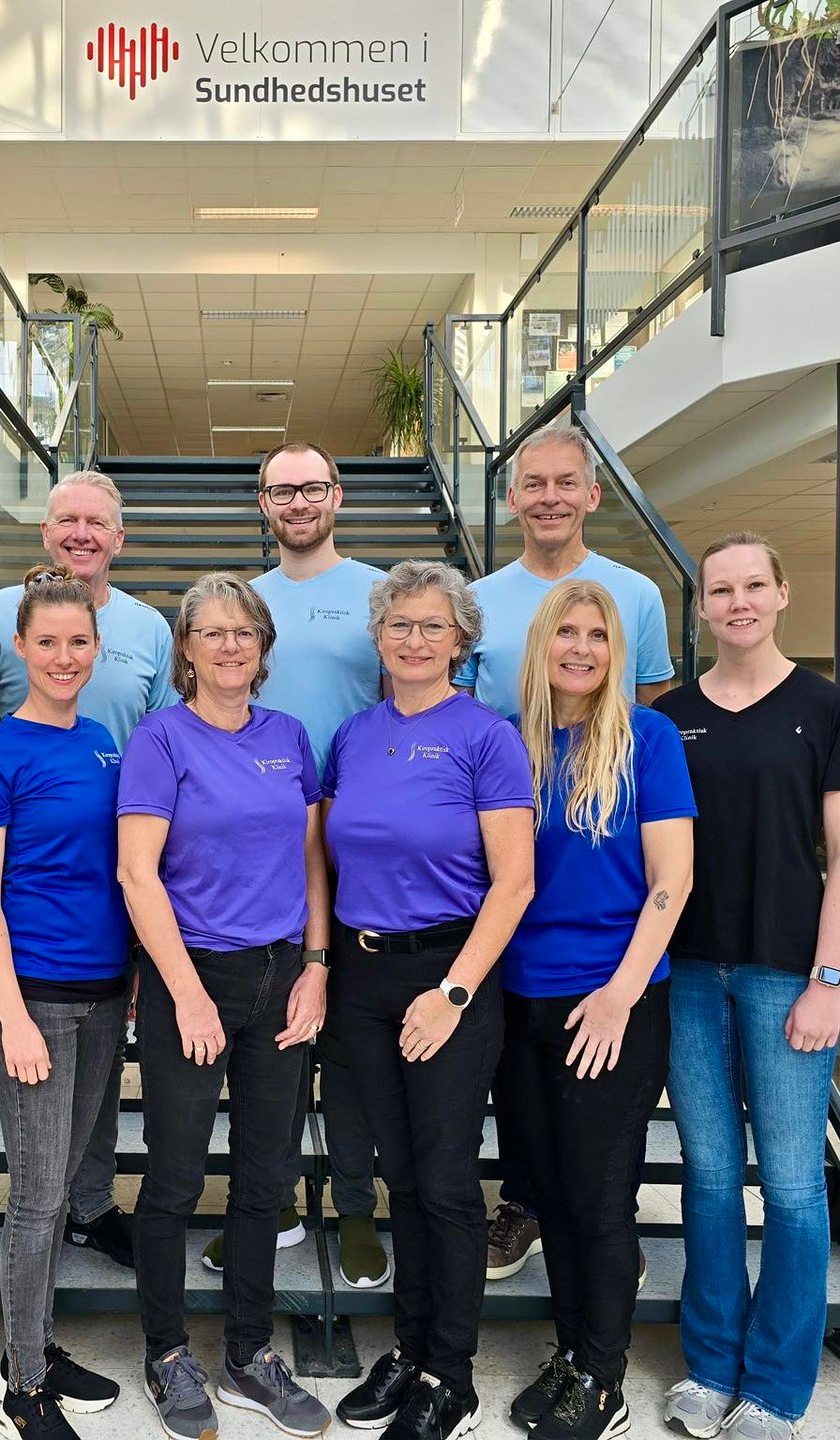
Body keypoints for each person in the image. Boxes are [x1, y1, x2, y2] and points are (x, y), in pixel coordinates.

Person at [653, 534, 840, 1440]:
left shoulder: (829, 709)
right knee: (709, 1178)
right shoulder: (670, 716)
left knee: (790, 1185)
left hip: (789, 974)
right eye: (721, 589)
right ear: (701, 606)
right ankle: (710, 1367)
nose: (738, 601)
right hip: (692, 976)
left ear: (782, 594)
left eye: (754, 585)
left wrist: (830, 982)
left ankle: (777, 1385)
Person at [118, 572, 335, 1440]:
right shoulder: (159, 740)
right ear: (187, 649)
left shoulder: (290, 736)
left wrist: (317, 965)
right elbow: (139, 874)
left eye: (245, 632)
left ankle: (248, 1352)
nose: (231, 646)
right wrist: (185, 994)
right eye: (213, 632)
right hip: (189, 979)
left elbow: (316, 861)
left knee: (264, 1179)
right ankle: (168, 1352)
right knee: (172, 1180)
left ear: (263, 648)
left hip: (282, 977)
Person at [324, 560, 536, 1440]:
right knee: (398, 1176)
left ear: (463, 640)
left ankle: (451, 1374)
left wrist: (452, 991)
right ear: (378, 637)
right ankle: (409, 1350)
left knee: (447, 1183)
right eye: (400, 625)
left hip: (449, 972)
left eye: (433, 626)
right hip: (361, 974)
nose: (415, 640)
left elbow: (515, 882)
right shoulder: (352, 735)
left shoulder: (487, 737)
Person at [459, 426, 675, 1284]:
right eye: (532, 483)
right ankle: (526, 1204)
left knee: (595, 1157)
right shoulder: (480, 602)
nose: (548, 496)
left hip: (610, 907)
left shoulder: (638, 598)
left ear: (592, 494)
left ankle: (599, 1247)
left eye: (566, 483)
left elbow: (646, 710)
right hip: (518, 914)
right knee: (522, 1097)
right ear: (511, 498)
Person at [498, 580, 695, 1440]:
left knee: (598, 1197)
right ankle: (571, 1352)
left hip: (611, 999)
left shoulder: (646, 739)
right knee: (547, 1192)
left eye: (598, 636)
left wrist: (619, 994)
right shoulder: (514, 746)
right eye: (565, 633)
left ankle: (602, 1380)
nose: (580, 648)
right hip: (518, 1000)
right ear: (540, 646)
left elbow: (672, 880)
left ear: (617, 652)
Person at [0, 470, 178, 1271]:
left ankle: (90, 1204)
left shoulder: (150, 629)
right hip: (26, 874)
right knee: (36, 1058)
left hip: (120, 874)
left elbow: (165, 742)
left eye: (98, 522)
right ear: (46, 532)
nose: (82, 533)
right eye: (67, 519)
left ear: (119, 540)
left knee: (101, 1055)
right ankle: (40, 1208)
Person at [0, 564, 132, 1440]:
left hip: (105, 995)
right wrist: (13, 1011)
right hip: (38, 1000)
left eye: (78, 643)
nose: (64, 657)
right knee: (35, 1194)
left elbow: (124, 871)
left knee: (64, 1183)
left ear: (97, 649)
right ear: (19, 649)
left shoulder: (105, 740)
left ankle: (37, 1343)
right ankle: (23, 1382)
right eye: (47, 643)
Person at [238, 441, 388, 1290]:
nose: (298, 501)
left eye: (312, 486)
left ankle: (358, 1206)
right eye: (281, 489)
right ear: (263, 504)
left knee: (356, 1040)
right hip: (263, 839)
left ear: (338, 493)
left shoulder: (377, 594)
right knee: (272, 1032)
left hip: (361, 832)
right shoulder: (244, 603)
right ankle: (278, 1198)